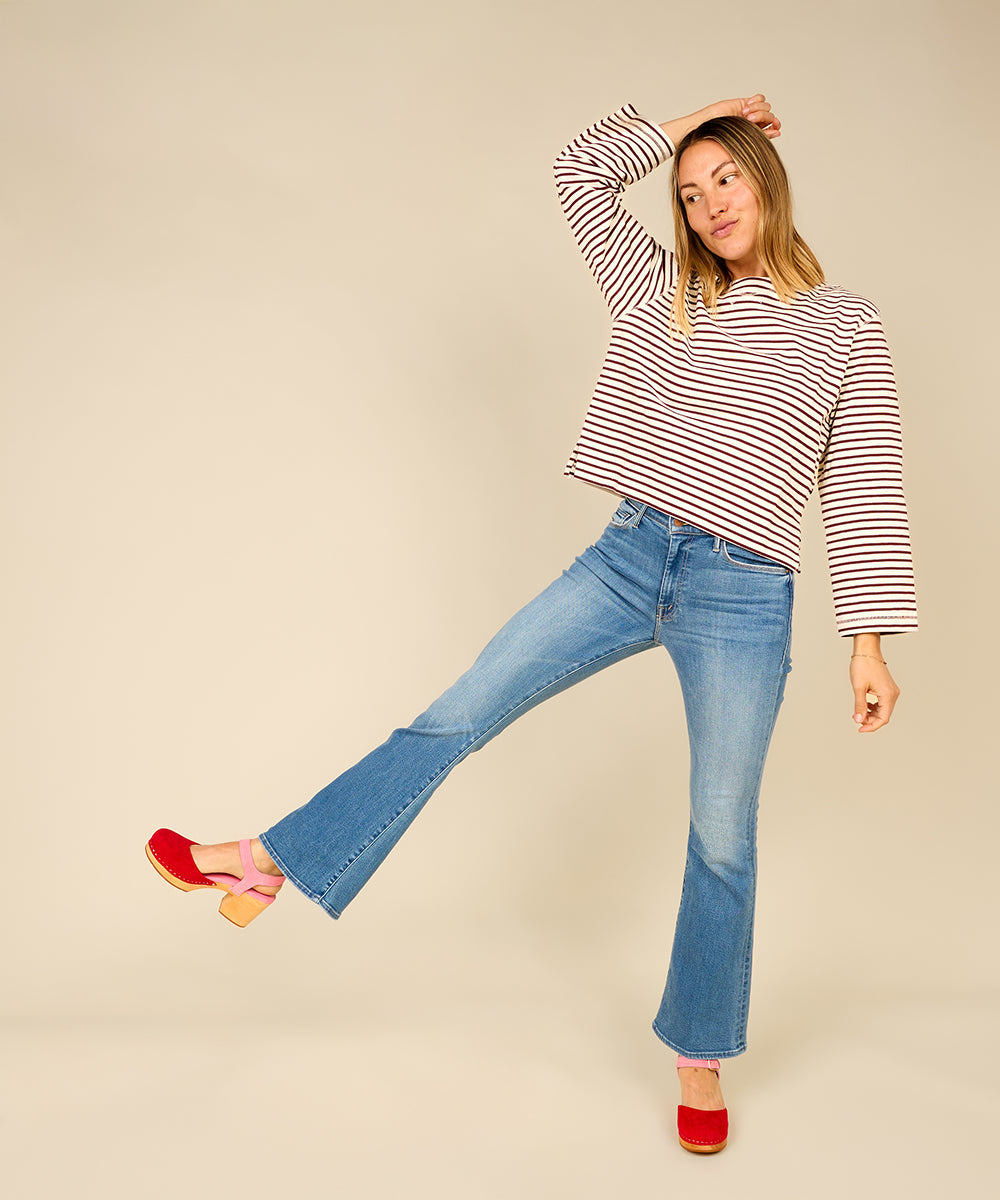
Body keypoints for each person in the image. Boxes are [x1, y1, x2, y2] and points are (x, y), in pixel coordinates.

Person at [145, 93, 919, 1154]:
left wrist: (867, 644)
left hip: (745, 591)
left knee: (721, 831)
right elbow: (578, 174)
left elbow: (864, 480)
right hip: (630, 553)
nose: (710, 204)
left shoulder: (845, 323)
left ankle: (699, 1053)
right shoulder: (663, 288)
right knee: (458, 714)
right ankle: (271, 858)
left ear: (765, 178)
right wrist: (693, 120)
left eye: (726, 177)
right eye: (690, 193)